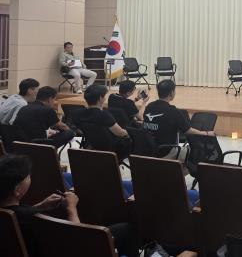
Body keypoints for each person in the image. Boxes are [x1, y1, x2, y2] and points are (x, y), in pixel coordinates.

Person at [0, 154, 139, 257]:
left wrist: (41, 206)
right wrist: (71, 207)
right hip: (70, 250)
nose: (30, 177)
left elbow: (19, 213)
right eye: (28, 176)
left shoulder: (10, 212)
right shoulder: (34, 220)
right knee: (127, 230)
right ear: (17, 190)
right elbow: (77, 239)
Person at [143, 80, 214, 164]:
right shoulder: (173, 111)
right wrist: (206, 133)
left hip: (148, 150)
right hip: (165, 152)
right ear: (171, 93)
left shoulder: (149, 106)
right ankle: (178, 171)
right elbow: (188, 130)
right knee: (192, 154)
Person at [75, 85, 132, 160]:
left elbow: (79, 130)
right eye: (104, 96)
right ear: (100, 98)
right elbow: (120, 133)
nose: (105, 98)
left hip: (91, 144)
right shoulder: (104, 115)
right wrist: (132, 134)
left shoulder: (78, 113)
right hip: (111, 149)